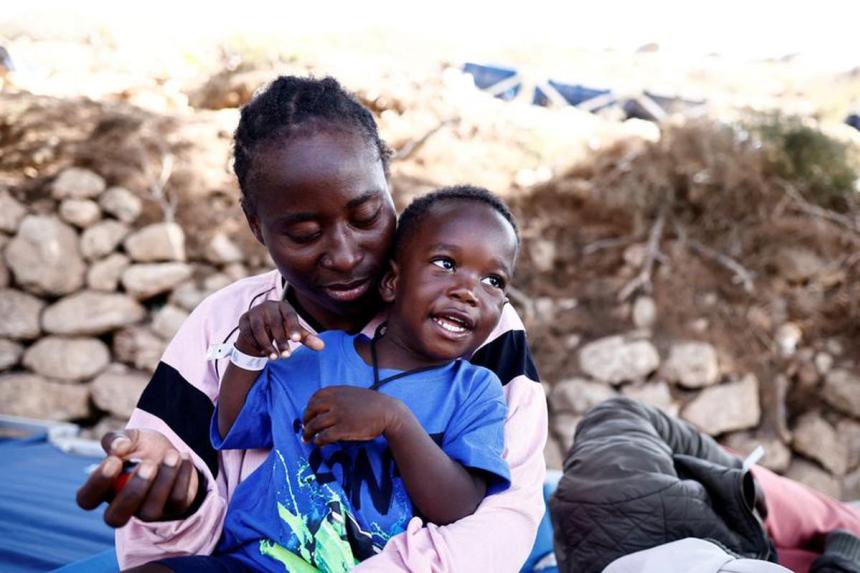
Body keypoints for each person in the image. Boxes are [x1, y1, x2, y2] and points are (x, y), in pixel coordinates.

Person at [76, 76, 548, 571]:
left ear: (388, 185)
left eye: (366, 217)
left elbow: (498, 522)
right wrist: (180, 500)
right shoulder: (228, 327)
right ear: (257, 225)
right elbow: (220, 449)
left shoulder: (477, 330)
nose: (344, 257)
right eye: (304, 233)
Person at [157, 186, 519, 572]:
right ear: (392, 282)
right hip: (255, 562)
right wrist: (248, 349)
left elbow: (459, 509)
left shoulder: (477, 391)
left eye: (494, 281)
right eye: (445, 263)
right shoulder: (319, 354)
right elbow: (235, 425)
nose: (468, 291)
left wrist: (396, 422)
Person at [549, 396, 860, 573]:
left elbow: (621, 414)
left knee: (845, 522)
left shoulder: (620, 500)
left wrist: (737, 479)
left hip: (732, 511)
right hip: (754, 542)